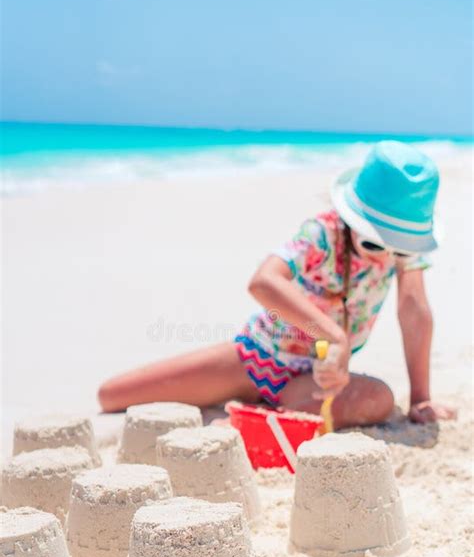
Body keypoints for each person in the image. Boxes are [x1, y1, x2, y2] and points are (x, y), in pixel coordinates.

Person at [98, 141, 456, 428]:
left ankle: (247, 421)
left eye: (398, 248)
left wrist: (421, 397)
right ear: (351, 219)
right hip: (255, 356)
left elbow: (414, 312)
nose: (385, 258)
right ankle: (253, 408)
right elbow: (263, 282)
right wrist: (331, 335)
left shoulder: (404, 253)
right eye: (375, 243)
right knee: (112, 396)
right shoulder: (322, 234)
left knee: (378, 399)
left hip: (317, 376)